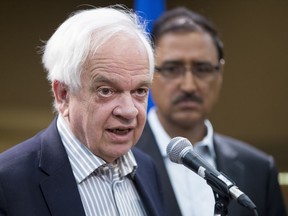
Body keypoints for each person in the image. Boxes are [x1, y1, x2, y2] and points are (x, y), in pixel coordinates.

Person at [0, 6, 166, 216]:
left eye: (140, 91)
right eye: (106, 91)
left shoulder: (147, 168)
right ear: (63, 95)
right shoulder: (8, 183)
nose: (129, 110)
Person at [136, 6, 286, 216]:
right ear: (149, 73)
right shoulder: (122, 158)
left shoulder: (259, 169)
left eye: (203, 69)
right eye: (172, 69)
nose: (188, 85)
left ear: (220, 73)